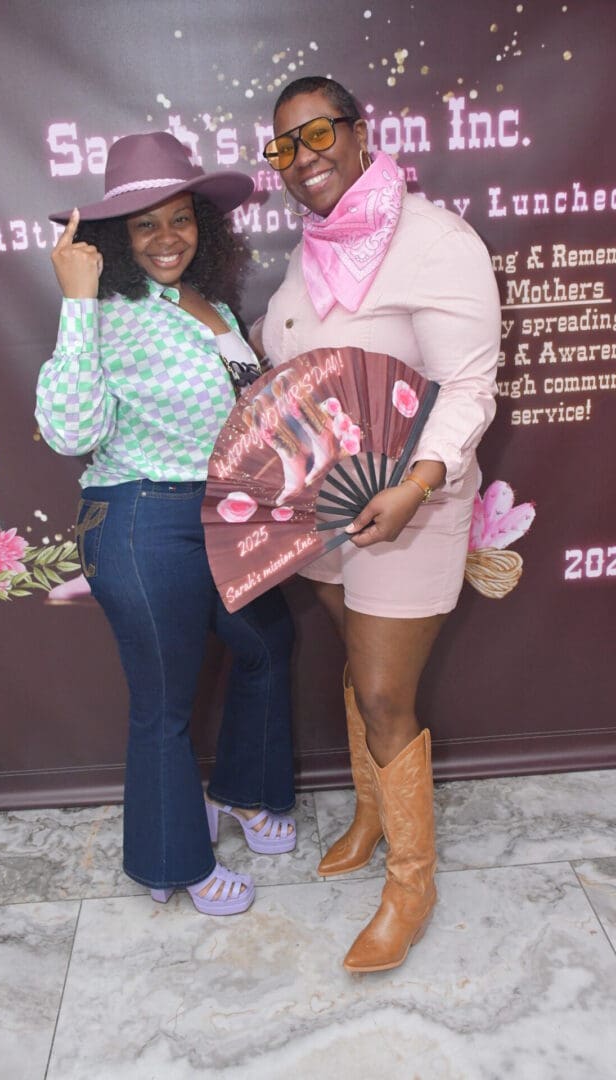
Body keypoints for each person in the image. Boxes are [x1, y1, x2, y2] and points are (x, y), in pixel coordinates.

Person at [260, 77, 500, 969]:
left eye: (318, 134)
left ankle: (411, 882)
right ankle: (368, 811)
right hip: (329, 507)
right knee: (359, 672)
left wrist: (422, 479)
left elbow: (470, 383)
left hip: (412, 502)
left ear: (363, 135)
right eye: (284, 146)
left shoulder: (436, 241)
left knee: (387, 694)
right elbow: (296, 356)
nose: (303, 158)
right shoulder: (311, 252)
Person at [36, 132, 296, 917]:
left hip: (226, 512)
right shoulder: (106, 314)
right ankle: (171, 861)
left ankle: (244, 793)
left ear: (202, 227)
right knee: (164, 704)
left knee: (267, 645)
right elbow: (69, 431)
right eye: (145, 225)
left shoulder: (211, 304)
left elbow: (249, 409)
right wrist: (75, 302)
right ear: (115, 237)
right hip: (143, 516)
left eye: (179, 219)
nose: (166, 239)